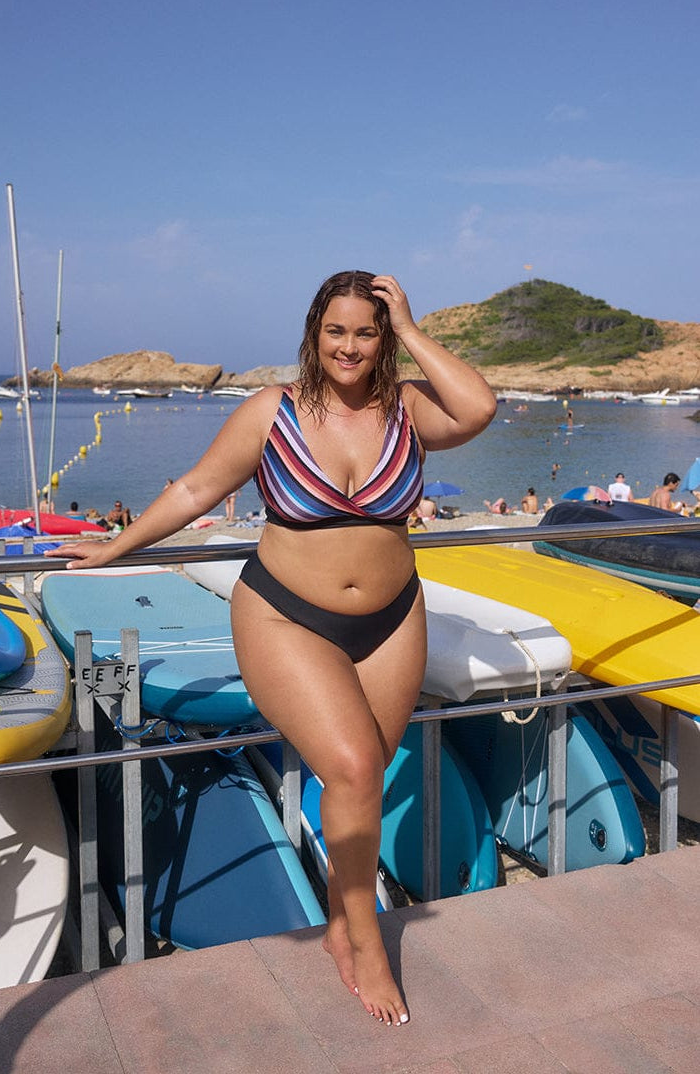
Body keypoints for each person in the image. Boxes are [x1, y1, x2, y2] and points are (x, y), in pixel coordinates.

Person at [50, 271, 496, 1027]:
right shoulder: (271, 411)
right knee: (354, 768)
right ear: (312, 334)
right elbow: (195, 490)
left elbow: (479, 406)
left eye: (365, 332)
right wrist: (114, 547)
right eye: (335, 331)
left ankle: (334, 921)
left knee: (360, 775)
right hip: (286, 616)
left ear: (383, 338)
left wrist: (413, 327)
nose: (349, 346)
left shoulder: (410, 409)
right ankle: (366, 942)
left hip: (392, 615)